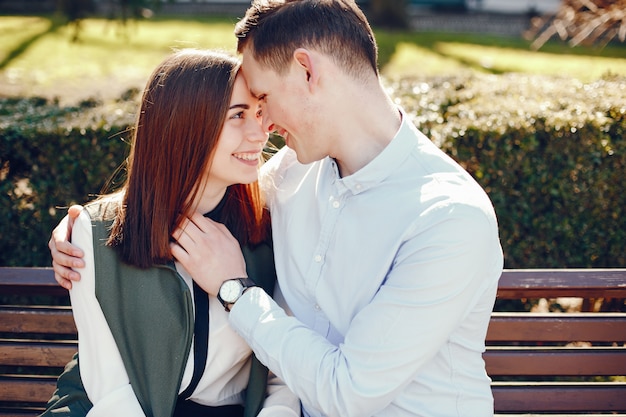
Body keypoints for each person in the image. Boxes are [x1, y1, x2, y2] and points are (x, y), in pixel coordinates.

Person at [50, 1, 504, 416]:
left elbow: (349, 393)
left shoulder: (448, 219)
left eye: (263, 98)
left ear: (307, 71)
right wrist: (84, 230)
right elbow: (191, 179)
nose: (262, 125)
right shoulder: (291, 174)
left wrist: (234, 291)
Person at [41, 48, 300, 417]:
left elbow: (283, 375)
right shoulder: (93, 232)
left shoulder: (271, 227)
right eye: (238, 115)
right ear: (185, 124)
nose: (260, 132)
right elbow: (109, 386)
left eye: (259, 114)